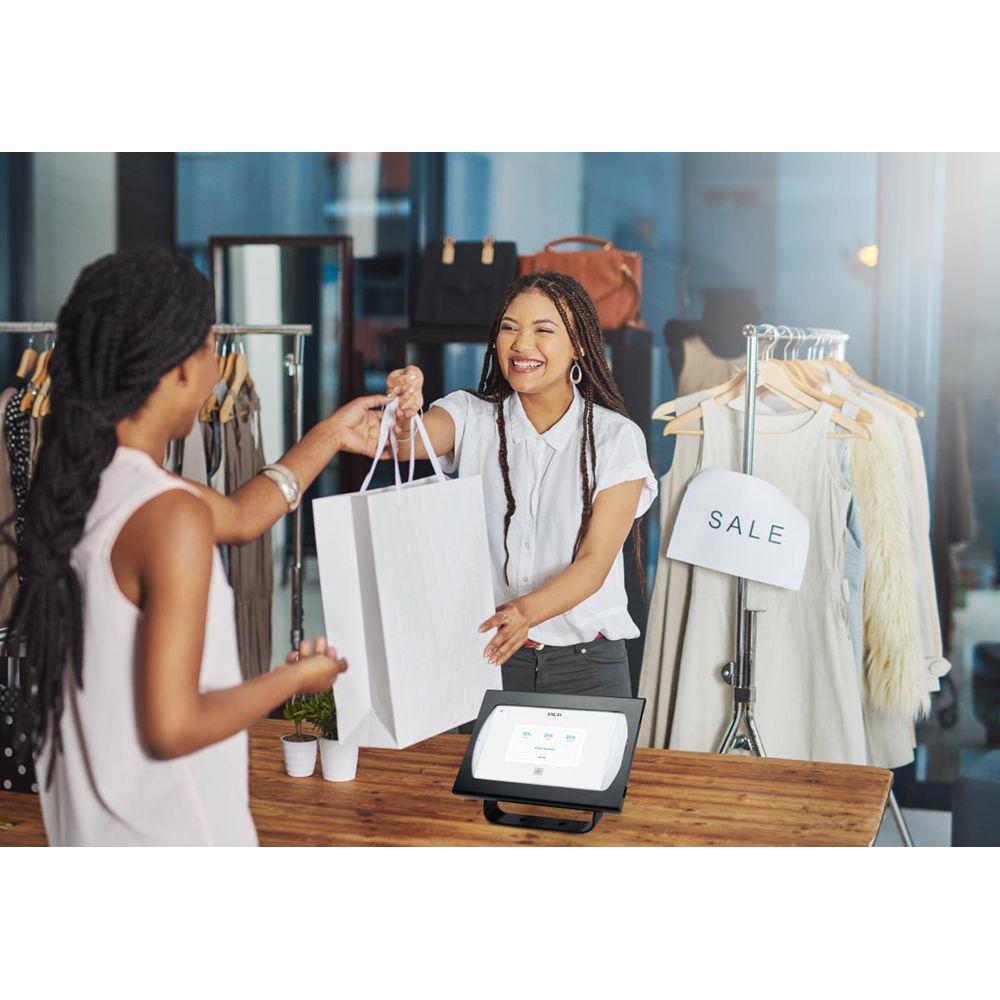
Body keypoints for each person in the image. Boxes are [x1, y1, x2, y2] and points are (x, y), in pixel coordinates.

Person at [7, 248, 395, 846]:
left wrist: (330, 435)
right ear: (177, 369)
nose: (217, 370)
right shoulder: (168, 514)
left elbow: (242, 517)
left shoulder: (83, 485)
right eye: (210, 348)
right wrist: (292, 682)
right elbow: (172, 725)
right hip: (173, 835)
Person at [362, 271, 656, 697]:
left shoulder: (615, 438)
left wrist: (524, 613)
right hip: (489, 657)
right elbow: (409, 442)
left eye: (543, 330)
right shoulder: (470, 415)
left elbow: (594, 564)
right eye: (509, 328)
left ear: (579, 346)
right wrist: (405, 411)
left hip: (587, 667)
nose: (521, 345)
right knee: (472, 767)